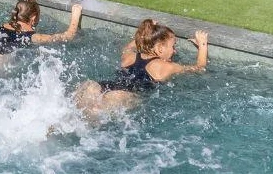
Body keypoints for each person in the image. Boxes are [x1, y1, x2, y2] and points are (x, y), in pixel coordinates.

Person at [72, 20, 209, 122]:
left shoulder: (129, 57)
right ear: (160, 49)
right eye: (173, 46)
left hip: (105, 86)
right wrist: (202, 44)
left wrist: (144, 36)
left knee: (89, 92)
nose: (175, 51)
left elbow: (127, 47)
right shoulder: (165, 67)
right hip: (124, 95)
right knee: (95, 113)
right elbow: (199, 68)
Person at [0, 0, 82, 76]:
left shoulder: (4, 26)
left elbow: (21, 14)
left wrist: (28, 2)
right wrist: (75, 16)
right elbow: (68, 36)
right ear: (33, 18)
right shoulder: (33, 37)